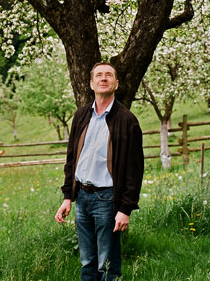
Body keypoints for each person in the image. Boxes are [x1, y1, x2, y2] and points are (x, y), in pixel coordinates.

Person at [55, 62, 144, 281]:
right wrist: (68, 197)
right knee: (87, 262)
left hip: (107, 199)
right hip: (82, 198)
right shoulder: (81, 115)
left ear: (116, 83)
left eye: (109, 75)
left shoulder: (127, 121)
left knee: (107, 264)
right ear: (91, 83)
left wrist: (125, 209)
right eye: (99, 75)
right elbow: (72, 159)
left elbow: (135, 170)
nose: (103, 78)